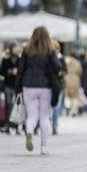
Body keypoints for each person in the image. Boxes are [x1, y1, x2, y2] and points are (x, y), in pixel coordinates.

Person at [17, 27, 62, 155]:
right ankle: (44, 147)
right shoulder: (50, 50)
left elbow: (20, 70)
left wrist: (18, 87)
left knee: (31, 116)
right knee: (44, 116)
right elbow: (58, 66)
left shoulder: (26, 50)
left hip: (28, 86)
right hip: (45, 86)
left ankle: (29, 132)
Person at [0, 43, 22, 133]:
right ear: (11, 49)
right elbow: (1, 72)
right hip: (8, 85)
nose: (17, 49)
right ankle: (8, 125)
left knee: (17, 106)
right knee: (8, 105)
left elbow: (23, 71)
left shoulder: (20, 59)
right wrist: (10, 71)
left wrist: (18, 72)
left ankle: (16, 126)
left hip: (17, 86)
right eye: (15, 48)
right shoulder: (6, 59)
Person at [50, 40, 67, 135]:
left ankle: (54, 125)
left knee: (57, 107)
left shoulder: (60, 58)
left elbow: (65, 70)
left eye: (55, 48)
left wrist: (60, 73)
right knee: (50, 107)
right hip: (48, 85)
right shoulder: (47, 58)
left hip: (59, 85)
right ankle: (50, 123)